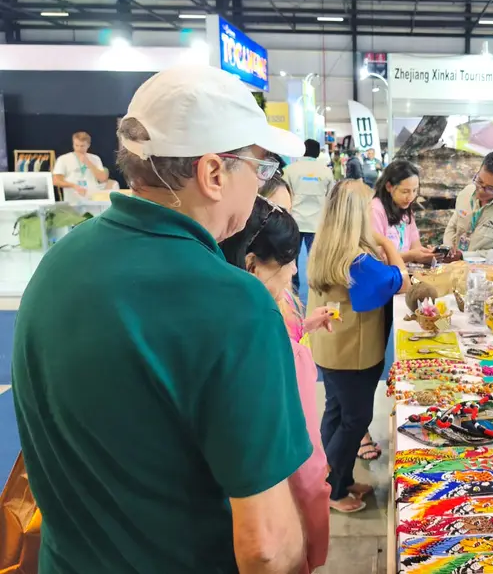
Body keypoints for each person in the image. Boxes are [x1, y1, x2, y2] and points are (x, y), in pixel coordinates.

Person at [12, 65, 311, 573]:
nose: (260, 189)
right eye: (258, 170)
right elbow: (266, 545)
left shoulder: (60, 263)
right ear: (214, 173)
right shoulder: (233, 302)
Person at [220, 196, 334, 574]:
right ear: (251, 264)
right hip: (284, 496)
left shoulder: (245, 313)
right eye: (286, 266)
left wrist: (305, 327)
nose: (291, 277)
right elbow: (302, 465)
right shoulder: (266, 343)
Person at [307, 179, 408, 513]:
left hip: (330, 348)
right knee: (355, 419)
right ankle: (332, 491)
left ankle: (341, 479)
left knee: (336, 414)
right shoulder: (357, 261)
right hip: (354, 355)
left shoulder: (326, 246)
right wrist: (385, 241)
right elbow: (401, 280)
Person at [284, 138, 334, 290]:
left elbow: (284, 193)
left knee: (291, 258)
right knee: (317, 258)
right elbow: (331, 196)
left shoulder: (290, 170)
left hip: (294, 220)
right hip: (317, 222)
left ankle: (293, 288)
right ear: (318, 152)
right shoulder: (326, 172)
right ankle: (316, 287)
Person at [371, 160, 436, 265]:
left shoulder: (406, 210)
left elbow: (416, 247)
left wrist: (429, 254)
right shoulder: (375, 210)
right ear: (389, 187)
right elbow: (376, 259)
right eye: (405, 191)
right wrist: (411, 255)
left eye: (415, 191)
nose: (410, 197)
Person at [52, 131, 109, 202]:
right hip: (72, 199)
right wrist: (73, 185)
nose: (79, 148)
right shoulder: (63, 159)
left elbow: (102, 179)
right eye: (76, 145)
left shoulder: (95, 158)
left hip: (92, 199)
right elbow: (56, 181)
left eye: (82, 146)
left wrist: (89, 163)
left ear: (88, 145)